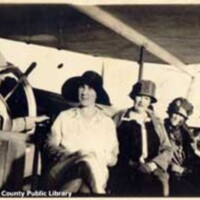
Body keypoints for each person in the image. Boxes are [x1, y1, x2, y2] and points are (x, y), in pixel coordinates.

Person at [42, 71, 119, 194]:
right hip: (64, 169)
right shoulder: (65, 117)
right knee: (85, 161)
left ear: (97, 93)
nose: (84, 92)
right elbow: (50, 145)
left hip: (95, 172)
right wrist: (74, 156)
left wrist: (97, 156)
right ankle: (99, 193)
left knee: (81, 182)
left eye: (90, 88)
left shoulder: (106, 123)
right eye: (82, 87)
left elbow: (113, 158)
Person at [111, 80, 172, 196]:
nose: (142, 102)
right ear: (133, 97)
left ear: (150, 102)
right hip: (124, 168)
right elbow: (107, 142)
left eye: (146, 98)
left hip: (152, 169)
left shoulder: (156, 121)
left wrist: (153, 164)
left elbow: (167, 149)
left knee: (160, 186)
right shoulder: (120, 117)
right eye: (139, 96)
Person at [164, 97, 200, 196]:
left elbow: (191, 152)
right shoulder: (161, 128)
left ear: (184, 119)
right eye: (175, 113)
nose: (176, 117)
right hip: (171, 172)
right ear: (169, 113)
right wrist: (177, 168)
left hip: (186, 169)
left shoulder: (184, 132)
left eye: (181, 116)